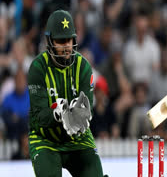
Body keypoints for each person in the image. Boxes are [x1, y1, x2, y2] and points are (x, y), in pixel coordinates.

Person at [27, 10, 108, 177]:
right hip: (45, 140)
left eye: (69, 40)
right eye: (60, 41)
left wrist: (81, 115)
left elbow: (88, 110)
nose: (66, 46)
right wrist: (59, 115)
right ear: (49, 41)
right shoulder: (37, 68)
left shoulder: (83, 67)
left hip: (77, 140)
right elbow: (40, 116)